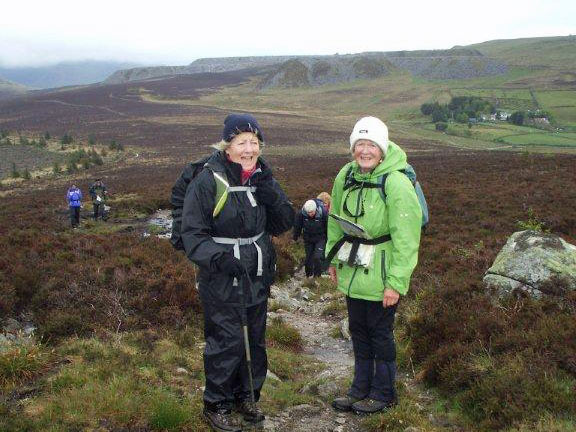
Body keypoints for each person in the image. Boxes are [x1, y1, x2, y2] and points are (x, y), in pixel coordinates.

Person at [180, 114, 294, 432]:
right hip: (220, 276)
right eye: (241, 142)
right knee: (226, 339)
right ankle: (217, 403)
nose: (248, 149)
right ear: (227, 146)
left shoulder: (261, 178)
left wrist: (269, 187)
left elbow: (283, 222)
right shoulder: (208, 181)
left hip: (256, 273)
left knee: (254, 339)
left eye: (254, 143)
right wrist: (219, 259)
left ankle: (248, 395)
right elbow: (193, 233)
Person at [326, 116, 422, 415]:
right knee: (358, 330)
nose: (364, 151)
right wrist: (331, 257)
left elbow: (407, 239)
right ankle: (359, 389)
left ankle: (384, 393)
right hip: (353, 269)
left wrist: (396, 282)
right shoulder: (346, 175)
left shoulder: (396, 181)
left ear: (382, 148)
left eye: (371, 145)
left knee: (380, 333)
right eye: (359, 144)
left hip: (382, 273)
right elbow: (334, 220)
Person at [293, 198, 328, 278]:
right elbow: (297, 227)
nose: (310, 214)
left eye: (312, 212)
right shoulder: (301, 214)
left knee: (318, 257)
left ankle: (317, 277)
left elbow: (327, 227)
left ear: (315, 209)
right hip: (308, 238)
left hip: (320, 238)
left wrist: (328, 239)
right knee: (308, 257)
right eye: (308, 212)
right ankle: (308, 275)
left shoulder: (323, 213)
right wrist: (295, 237)